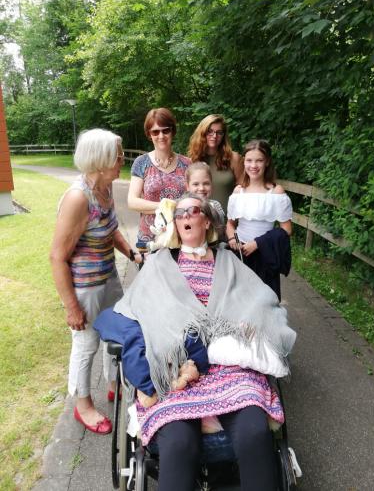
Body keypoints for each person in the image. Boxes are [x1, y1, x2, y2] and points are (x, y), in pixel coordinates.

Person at [94, 193, 296, 491]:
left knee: (254, 433)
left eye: (194, 210)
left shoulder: (229, 260)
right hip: (177, 367)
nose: (187, 216)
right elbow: (136, 310)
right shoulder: (159, 263)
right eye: (180, 213)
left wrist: (250, 324)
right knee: (179, 442)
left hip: (231, 366)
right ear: (175, 224)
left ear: (207, 220)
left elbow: (260, 302)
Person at [50, 128, 141, 435]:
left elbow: (111, 229)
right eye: (117, 155)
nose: (121, 159)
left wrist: (132, 253)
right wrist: (71, 307)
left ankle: (114, 382)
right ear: (100, 160)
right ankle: (83, 405)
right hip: (84, 287)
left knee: (116, 332)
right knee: (86, 344)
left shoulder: (105, 188)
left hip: (109, 276)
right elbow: (57, 256)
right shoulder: (79, 198)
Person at [226, 139, 293, 300]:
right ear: (244, 162)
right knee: (240, 301)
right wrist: (231, 237)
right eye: (249, 160)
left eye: (259, 160)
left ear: (267, 162)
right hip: (241, 254)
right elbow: (230, 223)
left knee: (264, 301)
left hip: (264, 254)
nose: (253, 165)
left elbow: (287, 229)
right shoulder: (238, 191)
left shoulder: (276, 192)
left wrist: (258, 243)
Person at [128, 107, 190, 245]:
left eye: (165, 130)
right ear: (149, 134)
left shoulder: (188, 164)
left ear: (172, 131)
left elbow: (194, 199)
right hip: (149, 239)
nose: (161, 136)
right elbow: (132, 201)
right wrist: (167, 207)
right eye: (155, 132)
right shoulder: (141, 163)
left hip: (182, 239)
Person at [187, 114, 243, 211]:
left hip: (229, 221)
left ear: (223, 135)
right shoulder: (192, 160)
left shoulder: (234, 159)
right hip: (201, 220)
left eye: (219, 132)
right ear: (202, 133)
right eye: (210, 131)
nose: (214, 136)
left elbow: (245, 191)